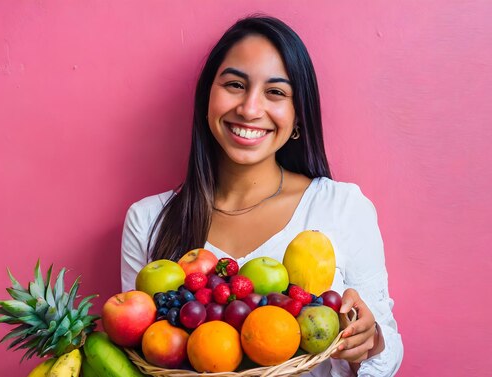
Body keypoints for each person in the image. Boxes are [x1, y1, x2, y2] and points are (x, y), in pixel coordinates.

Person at [121, 16, 403, 376]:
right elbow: (141, 356)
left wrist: (371, 340)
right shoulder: (147, 221)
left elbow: (387, 354)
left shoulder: (342, 208)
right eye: (235, 85)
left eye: (276, 92)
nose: (250, 109)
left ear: (298, 115)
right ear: (208, 96)